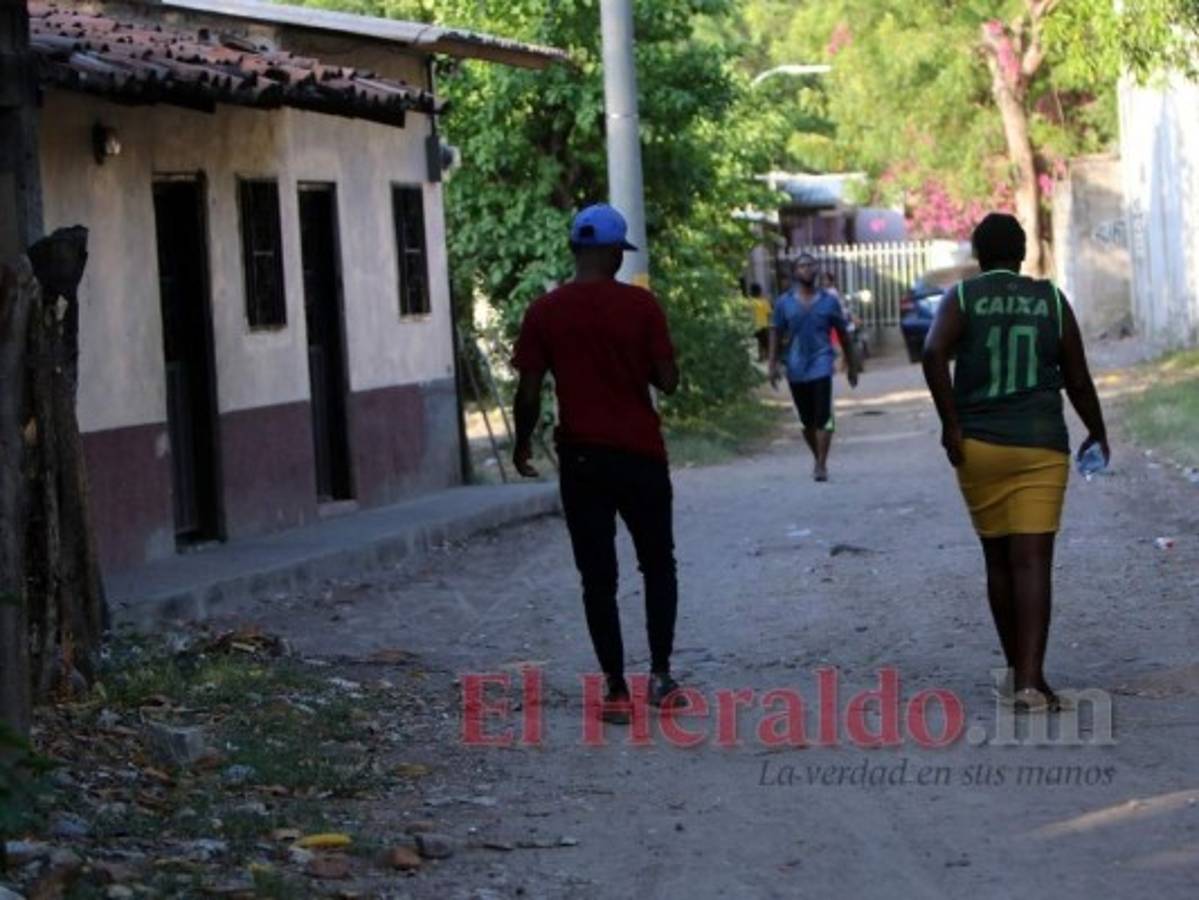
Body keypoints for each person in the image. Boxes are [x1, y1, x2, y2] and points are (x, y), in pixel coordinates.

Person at [922, 212, 1109, 712]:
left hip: (978, 446)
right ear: (1023, 252)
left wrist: (951, 423)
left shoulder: (961, 298)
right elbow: (1077, 379)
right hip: (1040, 446)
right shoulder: (1051, 300)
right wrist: (1097, 428)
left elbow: (933, 353)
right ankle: (1030, 679)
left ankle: (1019, 674)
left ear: (978, 255)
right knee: (1033, 562)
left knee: (998, 560)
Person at [511, 203, 685, 721]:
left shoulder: (545, 311)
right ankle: (660, 675)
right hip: (641, 456)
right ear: (614, 254)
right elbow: (668, 381)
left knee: (597, 576)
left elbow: (528, 390)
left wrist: (522, 443)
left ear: (575, 249)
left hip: (582, 458)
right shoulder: (641, 306)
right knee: (658, 564)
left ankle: (615, 689)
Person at [769, 253, 859, 481]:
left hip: (822, 362)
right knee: (806, 419)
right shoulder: (784, 303)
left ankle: (821, 464)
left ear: (817, 269)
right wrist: (772, 364)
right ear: (795, 272)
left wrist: (852, 365)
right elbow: (776, 333)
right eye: (802, 266)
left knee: (823, 415)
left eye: (811, 265)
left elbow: (843, 334)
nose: (807, 269)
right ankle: (817, 456)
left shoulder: (829, 301)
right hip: (795, 366)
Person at [749, 282, 772, 362]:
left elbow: (750, 313)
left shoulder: (751, 302)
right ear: (760, 291)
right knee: (766, 342)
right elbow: (769, 314)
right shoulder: (764, 302)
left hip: (755, 325)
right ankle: (767, 356)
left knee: (760, 341)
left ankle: (761, 356)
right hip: (764, 325)